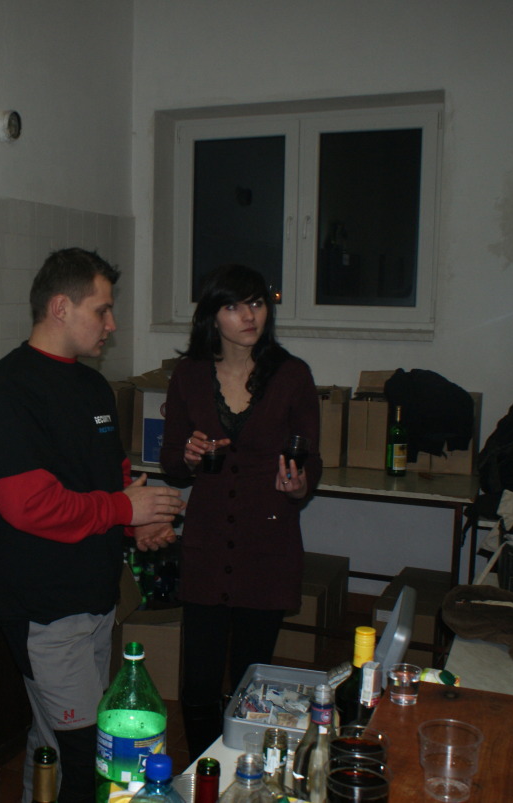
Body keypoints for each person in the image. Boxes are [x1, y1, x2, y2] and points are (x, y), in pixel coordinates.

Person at [0, 248, 183, 803]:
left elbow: (110, 480)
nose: (112, 325)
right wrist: (124, 511)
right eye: (102, 310)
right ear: (61, 307)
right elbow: (29, 505)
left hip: (95, 601)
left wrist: (137, 524)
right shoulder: (10, 391)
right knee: (88, 755)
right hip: (45, 610)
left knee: (53, 743)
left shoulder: (93, 387)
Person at [158, 264, 323, 756]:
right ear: (212, 316)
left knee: (252, 683)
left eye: (256, 303)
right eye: (233, 306)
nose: (249, 315)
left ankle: (247, 773)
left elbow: (310, 459)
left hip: (267, 544)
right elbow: (171, 464)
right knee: (198, 685)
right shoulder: (189, 376)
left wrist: (299, 484)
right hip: (207, 544)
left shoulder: (292, 375)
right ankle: (205, 772)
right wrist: (188, 457)